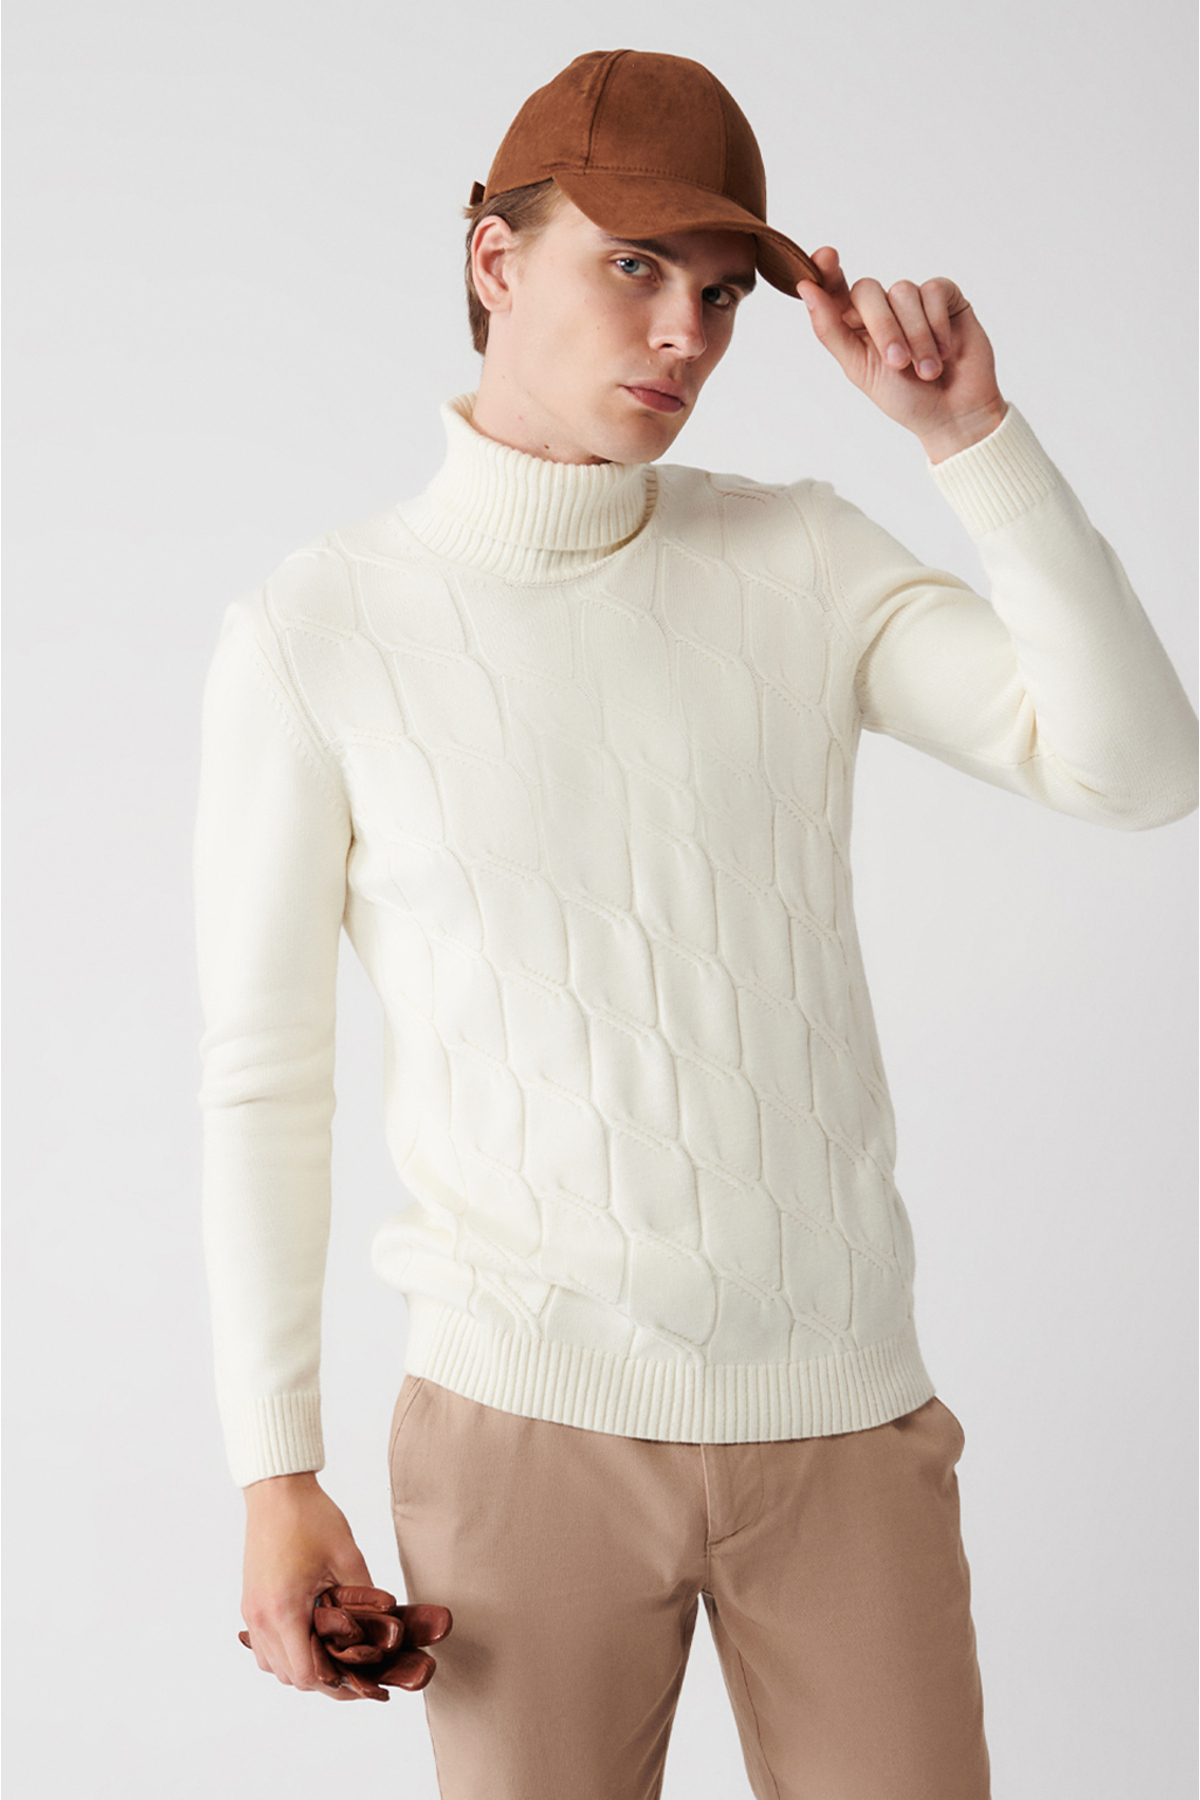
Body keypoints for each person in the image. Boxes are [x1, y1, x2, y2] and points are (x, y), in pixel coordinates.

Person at [193, 46, 1199, 1800]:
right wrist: (277, 1470)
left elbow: (1139, 769)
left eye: (724, 292)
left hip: (844, 1423)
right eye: (635, 266)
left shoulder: (800, 556)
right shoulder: (318, 631)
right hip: (520, 1434)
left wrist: (971, 442)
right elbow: (265, 1076)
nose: (687, 335)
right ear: (496, 259)